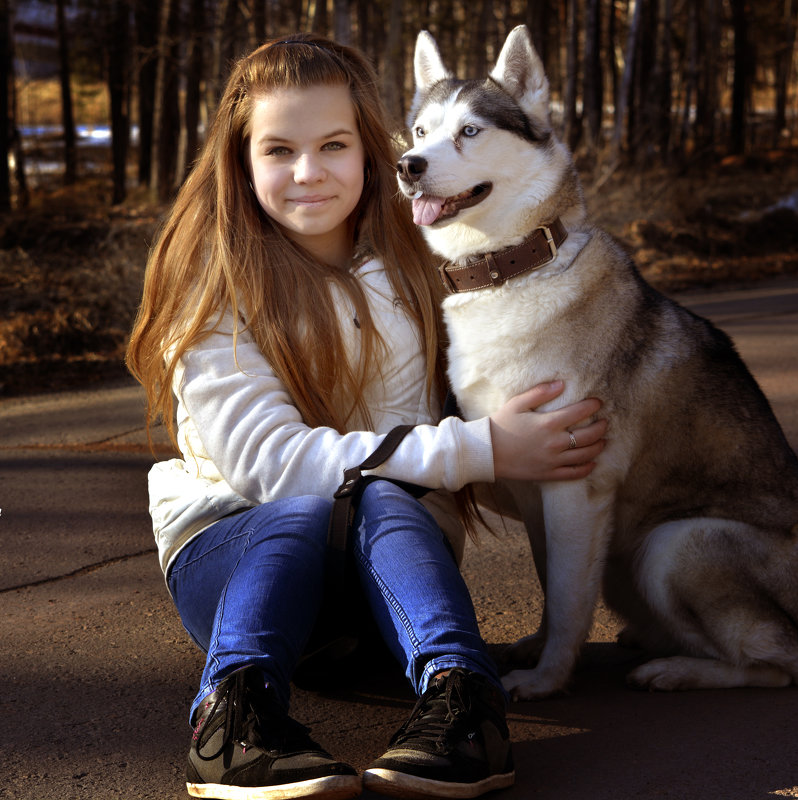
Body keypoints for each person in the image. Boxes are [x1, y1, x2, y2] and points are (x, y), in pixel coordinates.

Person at [126, 33, 607, 800]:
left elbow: (528, 250)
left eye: (335, 145)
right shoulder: (211, 290)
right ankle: (236, 718)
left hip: (388, 577)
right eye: (279, 149)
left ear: (370, 152)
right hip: (242, 562)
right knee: (296, 510)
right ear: (241, 163)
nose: (309, 172)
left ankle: (463, 704)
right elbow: (273, 466)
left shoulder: (420, 255)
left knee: (385, 494)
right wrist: (485, 449)